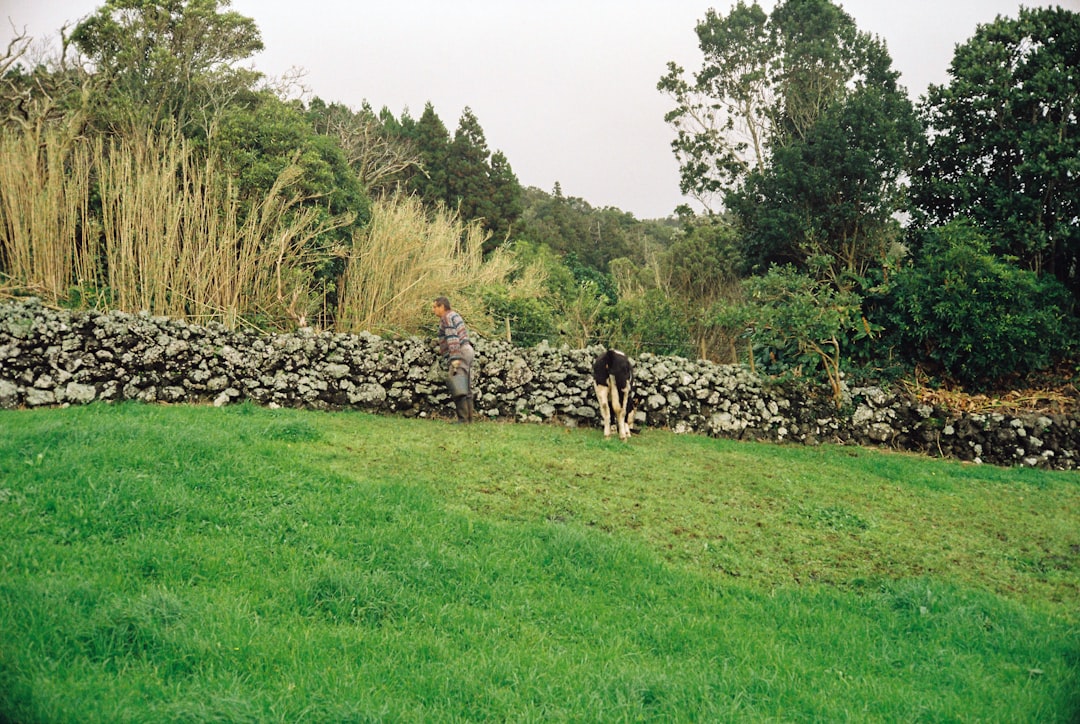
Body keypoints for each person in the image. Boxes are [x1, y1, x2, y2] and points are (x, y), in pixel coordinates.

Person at [432, 296, 474, 423]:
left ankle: (463, 419)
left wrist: (455, 358)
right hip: (467, 350)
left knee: (458, 385)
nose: (433, 310)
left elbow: (452, 337)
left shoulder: (446, 318)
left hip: (460, 352)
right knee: (465, 386)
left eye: (435, 307)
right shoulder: (454, 315)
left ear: (442, 307)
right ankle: (469, 419)